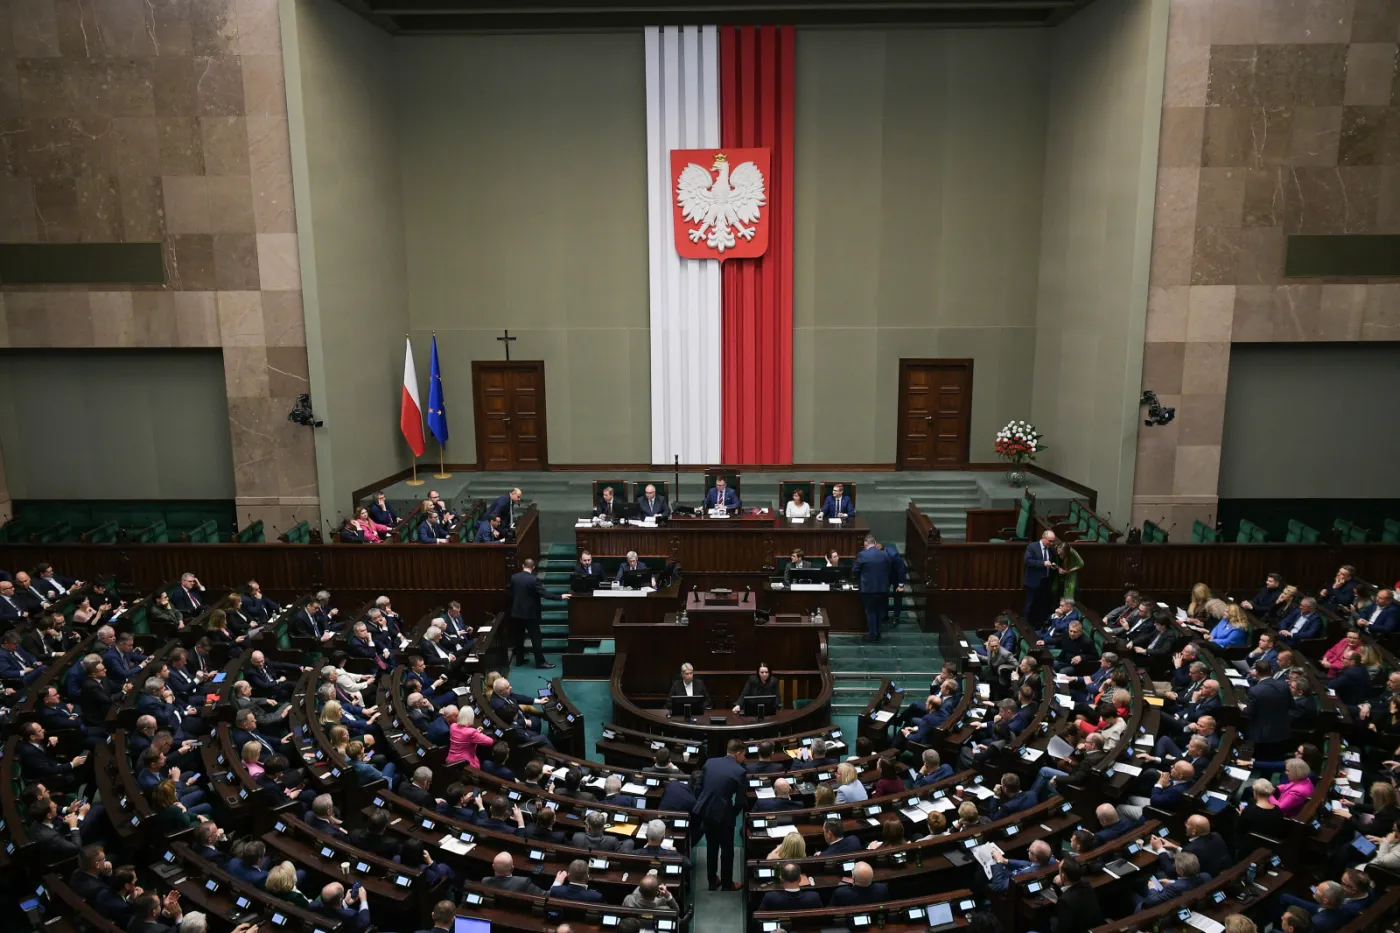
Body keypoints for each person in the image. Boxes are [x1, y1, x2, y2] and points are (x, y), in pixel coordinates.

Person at [693, 738, 747, 890]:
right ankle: (727, 884)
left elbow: (698, 787)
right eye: (744, 755)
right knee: (727, 850)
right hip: (725, 816)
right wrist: (733, 813)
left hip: (707, 812)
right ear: (737, 754)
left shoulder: (710, 763)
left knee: (711, 847)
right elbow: (741, 801)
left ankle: (712, 881)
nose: (744, 758)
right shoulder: (740, 771)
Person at [507, 558, 569, 669]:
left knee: (519, 637)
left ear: (523, 566)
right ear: (533, 567)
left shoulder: (514, 578)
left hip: (516, 613)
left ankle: (519, 660)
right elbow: (544, 594)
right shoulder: (534, 580)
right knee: (536, 639)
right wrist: (560, 597)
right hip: (531, 614)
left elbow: (510, 594)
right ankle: (540, 662)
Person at [1246, 659, 1294, 760]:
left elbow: (1250, 713)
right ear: (1271, 671)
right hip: (1282, 730)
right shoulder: (1284, 685)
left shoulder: (1254, 690)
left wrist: (1243, 708)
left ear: (1257, 673)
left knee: (1262, 759)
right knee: (1277, 758)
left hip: (1262, 734)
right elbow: (1291, 705)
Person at [852, 535, 896, 642]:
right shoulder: (885, 554)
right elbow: (889, 569)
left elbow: (855, 570)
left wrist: (860, 578)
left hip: (868, 588)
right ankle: (878, 631)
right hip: (883, 587)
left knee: (870, 611)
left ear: (865, 544)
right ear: (875, 543)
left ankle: (872, 634)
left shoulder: (862, 554)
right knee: (879, 611)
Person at [1022, 530, 1060, 627]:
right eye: (1050, 541)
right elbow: (1027, 561)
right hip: (1033, 582)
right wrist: (1042, 563)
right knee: (1030, 605)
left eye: (1053, 541)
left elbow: (1054, 561)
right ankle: (1025, 626)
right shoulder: (1032, 547)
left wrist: (1054, 566)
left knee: (1043, 605)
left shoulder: (1051, 549)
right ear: (1043, 538)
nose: (1052, 543)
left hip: (1046, 582)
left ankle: (1039, 626)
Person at [1054, 857, 1102, 933]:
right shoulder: (1086, 884)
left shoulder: (1064, 901)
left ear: (1063, 876)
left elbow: (1063, 929)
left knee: (1052, 921)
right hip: (1094, 925)